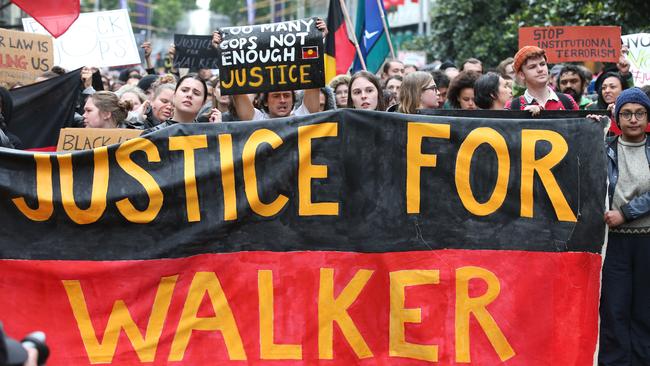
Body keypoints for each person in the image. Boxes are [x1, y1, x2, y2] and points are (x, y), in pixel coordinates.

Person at [599, 88, 650, 366]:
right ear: (617, 117)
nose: (633, 119)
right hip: (614, 243)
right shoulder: (604, 148)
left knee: (645, 310)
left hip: (647, 241)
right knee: (614, 309)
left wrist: (626, 213)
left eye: (639, 113)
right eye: (627, 113)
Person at [506, 46, 578, 114]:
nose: (540, 69)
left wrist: (588, 120)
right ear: (522, 74)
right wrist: (522, 116)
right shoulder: (513, 107)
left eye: (542, 64)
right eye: (532, 67)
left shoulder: (567, 100)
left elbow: (579, 125)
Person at [145, 73, 216, 132]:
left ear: (203, 103)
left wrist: (218, 130)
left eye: (196, 93)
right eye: (184, 90)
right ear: (174, 95)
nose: (189, 95)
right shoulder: (152, 134)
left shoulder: (208, 136)